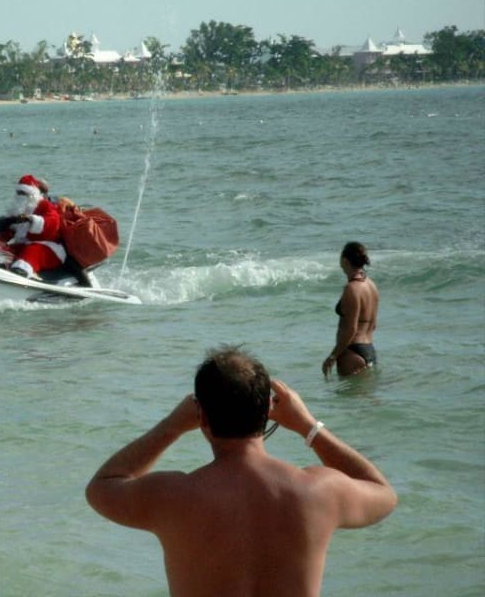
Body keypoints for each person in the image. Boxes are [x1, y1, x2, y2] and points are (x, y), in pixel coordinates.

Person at [86, 345, 397, 597]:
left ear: (201, 418)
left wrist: (172, 426)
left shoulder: (173, 496)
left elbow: (101, 486)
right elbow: (383, 494)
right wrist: (308, 426)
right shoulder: (318, 491)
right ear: (268, 413)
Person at [323, 241, 379, 377]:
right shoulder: (371, 285)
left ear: (344, 260)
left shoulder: (352, 288)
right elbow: (374, 325)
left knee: (346, 396)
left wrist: (332, 356)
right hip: (369, 350)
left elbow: (351, 329)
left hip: (353, 351)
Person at [0, 174, 66, 278]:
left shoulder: (44, 205)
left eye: (23, 193)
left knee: (33, 251)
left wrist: (32, 219)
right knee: (6, 250)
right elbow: (10, 231)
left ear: (32, 193)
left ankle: (21, 270)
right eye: (19, 192)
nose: (20, 196)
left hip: (48, 246)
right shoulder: (19, 210)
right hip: (26, 243)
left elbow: (53, 222)